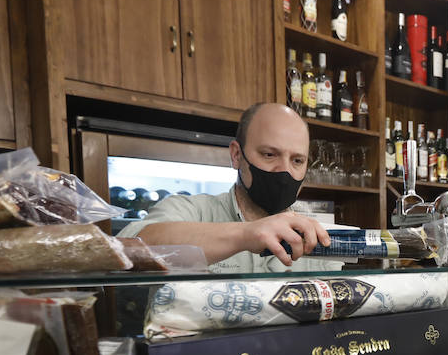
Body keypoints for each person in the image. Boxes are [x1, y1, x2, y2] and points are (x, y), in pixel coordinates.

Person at [119, 103, 334, 272]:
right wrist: (246, 234)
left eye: (297, 161)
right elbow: (127, 250)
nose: (284, 171)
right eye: (269, 155)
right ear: (237, 155)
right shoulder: (191, 211)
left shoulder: (316, 236)